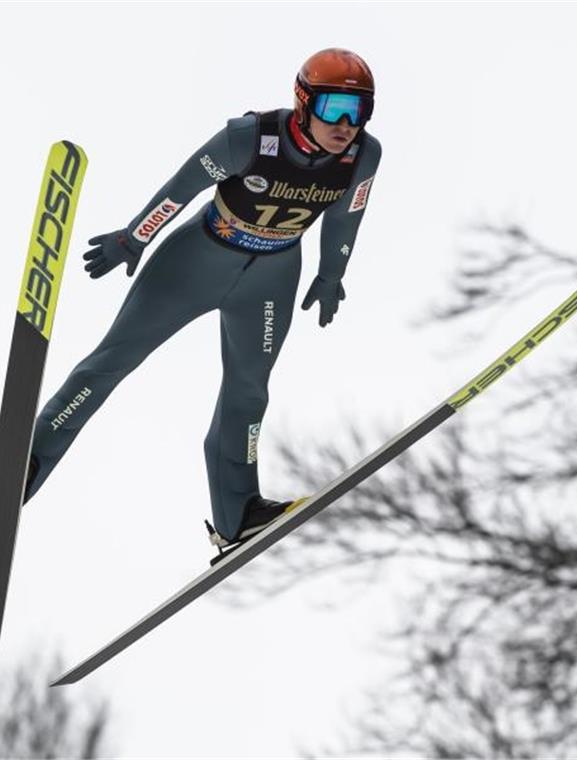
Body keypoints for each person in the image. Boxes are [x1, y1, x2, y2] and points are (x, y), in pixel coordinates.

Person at [24, 48, 382, 550]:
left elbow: (347, 217)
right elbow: (183, 186)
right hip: (195, 262)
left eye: (358, 112)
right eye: (332, 109)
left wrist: (330, 274)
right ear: (303, 103)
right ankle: (33, 457)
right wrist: (135, 237)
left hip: (272, 279)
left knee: (249, 392)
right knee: (113, 360)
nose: (346, 125)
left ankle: (238, 515)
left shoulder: (363, 156)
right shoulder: (250, 138)